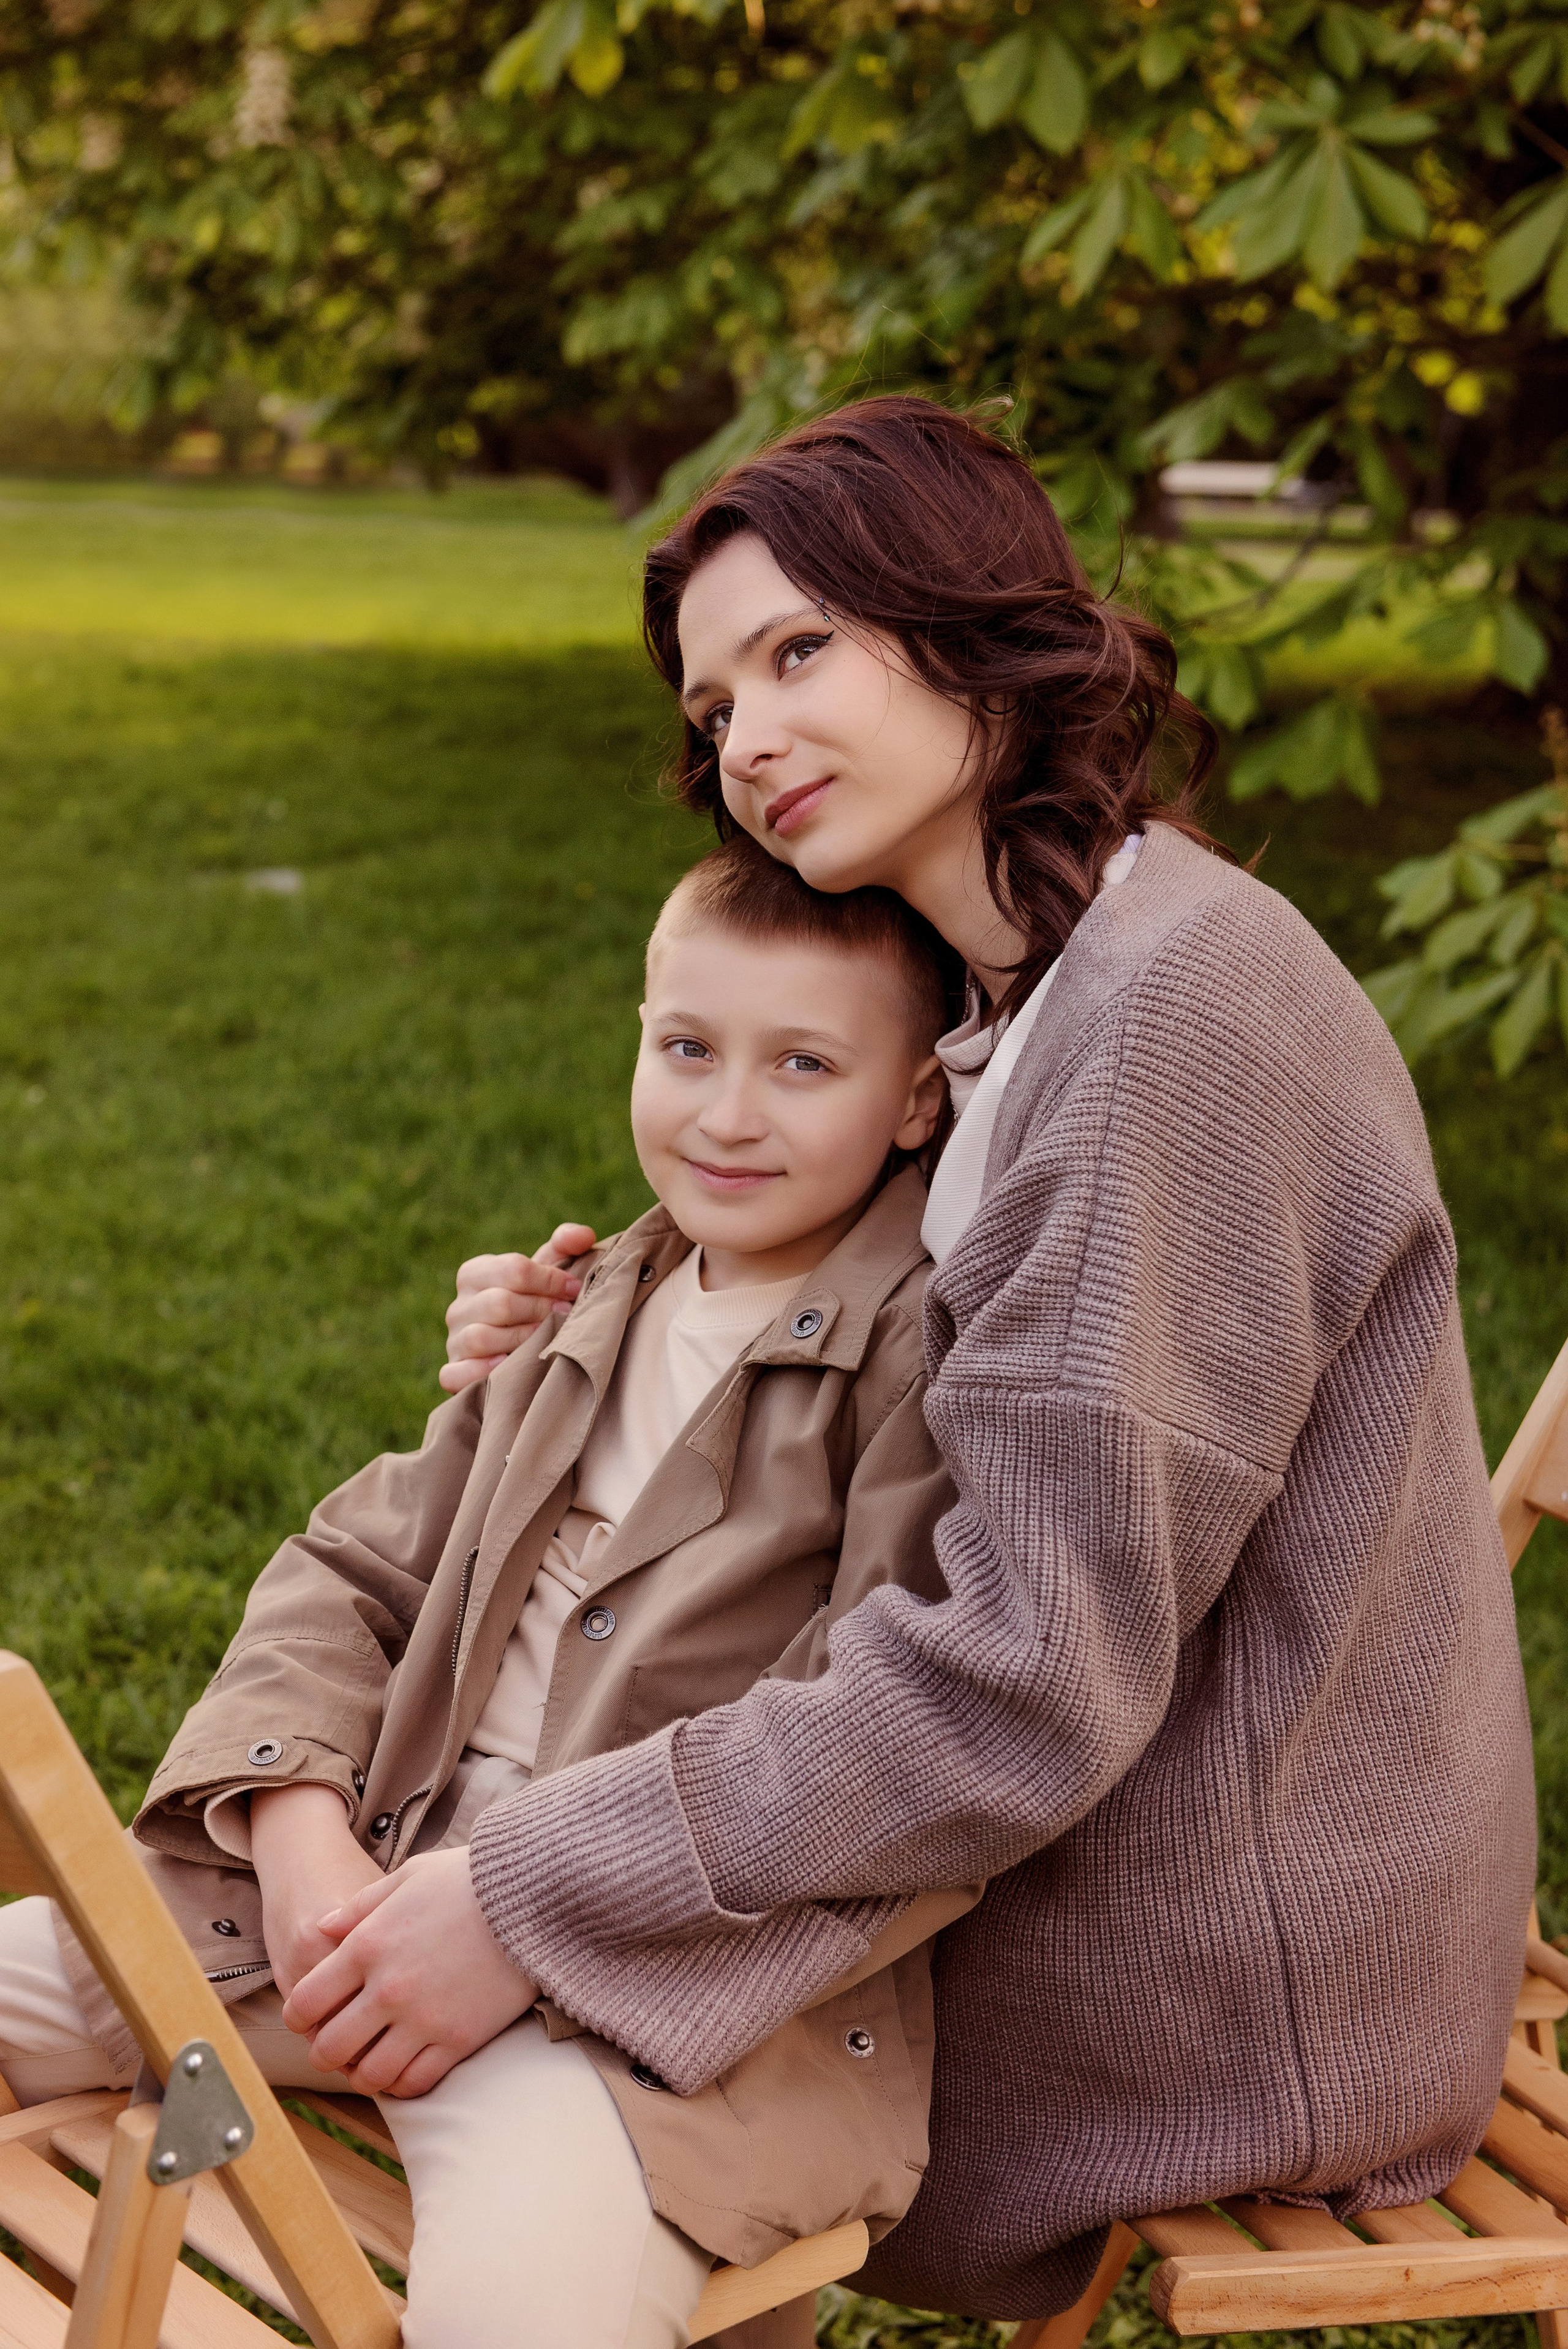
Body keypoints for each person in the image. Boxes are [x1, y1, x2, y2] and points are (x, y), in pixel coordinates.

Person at [437, 394, 1536, 2320]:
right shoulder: (1026, 980)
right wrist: (596, 1327)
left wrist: (533, 1881)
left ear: (962, 621)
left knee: (504, 2023)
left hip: (1217, 1975)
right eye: (713, 710)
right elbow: (886, 1333)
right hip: (1100, 1829)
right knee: (415, 1924)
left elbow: (1023, 1676)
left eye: (799, 653)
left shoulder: (1176, 1018)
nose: (749, 737)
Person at [0, 835, 982, 2349]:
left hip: (623, 2010)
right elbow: (349, 1569)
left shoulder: (917, 1366)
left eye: (801, 1065)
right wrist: (298, 1833)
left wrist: (536, 1913)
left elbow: (876, 1745)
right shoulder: (597, 1298)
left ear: (916, 1095)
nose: (726, 1112)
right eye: (686, 1048)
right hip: (354, 1905)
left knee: (521, 2314)